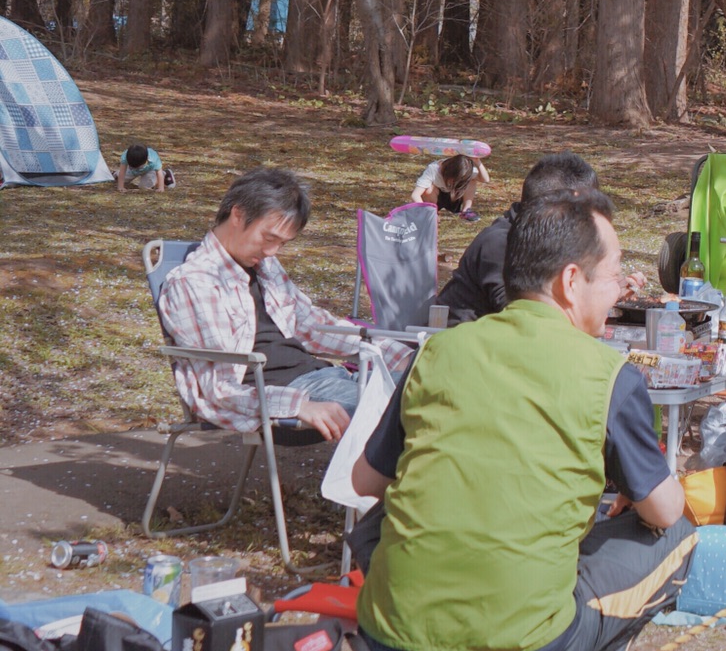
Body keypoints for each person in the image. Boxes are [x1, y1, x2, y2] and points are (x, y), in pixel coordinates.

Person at [349, 192, 695, 651]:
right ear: (571, 281)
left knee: (383, 516)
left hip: (388, 645)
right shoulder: (608, 375)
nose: (620, 289)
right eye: (615, 274)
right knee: (684, 536)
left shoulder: (440, 350)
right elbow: (664, 510)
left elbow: (363, 482)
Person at [158, 168, 409, 439]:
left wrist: (400, 355)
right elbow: (219, 390)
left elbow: (314, 325)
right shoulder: (196, 282)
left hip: (327, 379)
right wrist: (297, 406)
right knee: (412, 410)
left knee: (435, 389)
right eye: (269, 238)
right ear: (238, 214)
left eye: (282, 243)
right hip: (285, 395)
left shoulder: (266, 267)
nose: (271, 252)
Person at [433, 152, 615, 324]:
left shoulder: (547, 240)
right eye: (585, 213)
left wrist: (607, 288)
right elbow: (521, 316)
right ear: (559, 209)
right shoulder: (500, 243)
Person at [410, 153, 490, 220]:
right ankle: (432, 211)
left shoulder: (464, 170)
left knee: (471, 180)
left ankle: (466, 210)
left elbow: (485, 179)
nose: (454, 182)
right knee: (428, 189)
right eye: (454, 179)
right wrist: (424, 211)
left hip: (454, 196)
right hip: (436, 197)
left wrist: (477, 162)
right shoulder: (433, 169)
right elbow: (415, 195)